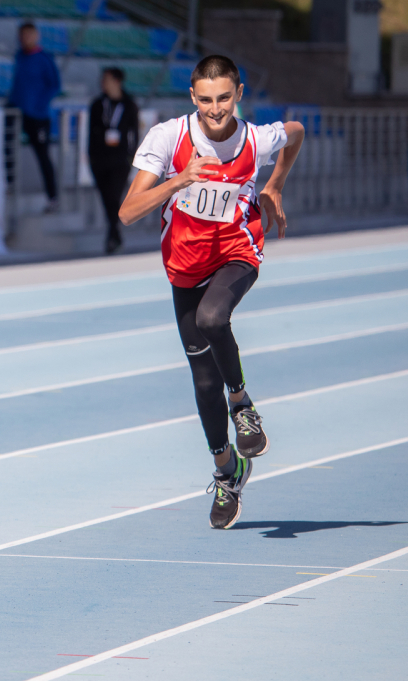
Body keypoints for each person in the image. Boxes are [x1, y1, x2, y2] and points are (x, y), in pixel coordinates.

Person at [119, 55, 305, 531]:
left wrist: (275, 185)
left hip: (237, 253)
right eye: (206, 100)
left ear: (239, 94)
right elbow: (128, 212)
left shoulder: (256, 138)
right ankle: (227, 471)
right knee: (203, 382)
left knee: (212, 318)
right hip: (185, 267)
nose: (216, 109)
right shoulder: (168, 138)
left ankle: (242, 403)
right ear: (192, 97)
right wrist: (178, 180)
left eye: (224, 98)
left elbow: (297, 132)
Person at [7, 22, 61, 211]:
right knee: (8, 148)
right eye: (23, 35)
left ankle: (52, 196)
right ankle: (9, 184)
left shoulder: (44, 59)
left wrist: (38, 105)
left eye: (29, 35)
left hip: (37, 116)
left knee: (43, 155)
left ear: (36, 36)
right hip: (16, 112)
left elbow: (54, 85)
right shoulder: (19, 56)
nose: (26, 39)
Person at [87, 67, 140, 254]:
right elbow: (90, 133)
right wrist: (91, 156)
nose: (103, 83)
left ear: (117, 81)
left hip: (120, 160)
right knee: (106, 198)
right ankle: (114, 234)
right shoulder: (97, 105)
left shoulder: (129, 104)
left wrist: (132, 156)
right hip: (100, 159)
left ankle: (113, 235)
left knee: (114, 196)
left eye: (107, 79)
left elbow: (135, 132)